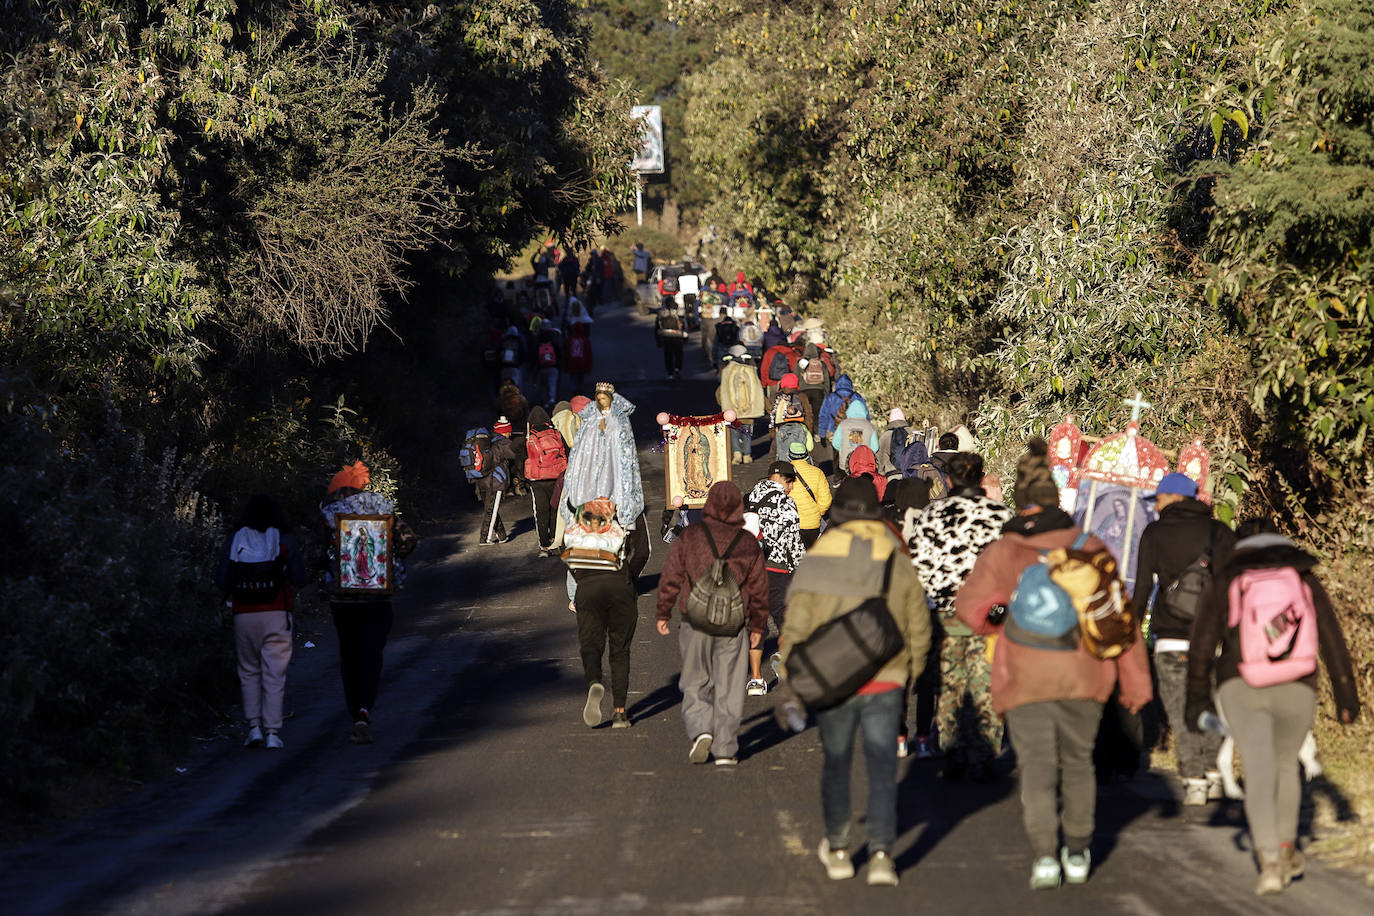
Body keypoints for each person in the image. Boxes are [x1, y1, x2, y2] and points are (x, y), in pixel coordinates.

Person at [955, 439, 1151, 889]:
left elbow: (972, 609)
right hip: (1085, 674)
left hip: (1025, 675)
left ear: (1022, 502)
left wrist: (1002, 619)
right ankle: (1079, 851)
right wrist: (1135, 683)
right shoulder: (1091, 546)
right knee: (1079, 761)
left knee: (1038, 765)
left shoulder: (1005, 551)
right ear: (1058, 500)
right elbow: (1120, 620)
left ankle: (1045, 856)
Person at [1185, 518, 1360, 895]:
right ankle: (1285, 847)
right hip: (1297, 685)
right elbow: (1331, 638)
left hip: (1240, 683)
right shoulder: (1302, 576)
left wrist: (1196, 699)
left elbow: (1201, 645)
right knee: (1285, 765)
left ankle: (1268, 864)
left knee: (1258, 768)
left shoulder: (1226, 578)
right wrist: (1346, 696)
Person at [783, 477, 932, 888]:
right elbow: (918, 622)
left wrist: (792, 679)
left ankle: (839, 848)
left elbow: (795, 625)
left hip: (833, 682)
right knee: (883, 768)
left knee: (836, 764)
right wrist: (911, 671)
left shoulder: (817, 557)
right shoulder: (895, 557)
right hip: (887, 679)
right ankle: (883, 854)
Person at [1133, 471, 1237, 805]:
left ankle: (1194, 779)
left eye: (1159, 498)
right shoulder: (1218, 531)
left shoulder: (1155, 533)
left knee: (1181, 710)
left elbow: (1143, 588)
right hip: (1213, 639)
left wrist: (1133, 629)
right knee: (1211, 704)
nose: (1156, 505)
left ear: (1175, 497)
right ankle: (1214, 773)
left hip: (1171, 638)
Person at [906, 452, 1012, 777]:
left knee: (950, 685)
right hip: (991, 617)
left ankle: (952, 750)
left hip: (946, 614)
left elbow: (919, 567)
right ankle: (986, 753)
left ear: (949, 480)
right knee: (986, 686)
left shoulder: (933, 515)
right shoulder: (1001, 516)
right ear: (981, 477)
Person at [656, 482, 770, 766]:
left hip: (695, 619)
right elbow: (759, 589)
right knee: (730, 686)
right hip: (733, 622)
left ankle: (700, 729)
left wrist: (663, 611)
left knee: (695, 680)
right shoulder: (747, 542)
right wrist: (757, 627)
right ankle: (726, 748)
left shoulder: (691, 535)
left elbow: (672, 574)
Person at [318, 461, 419, 744]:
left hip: (344, 600)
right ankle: (366, 708)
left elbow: (316, 555)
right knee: (372, 654)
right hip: (378, 595)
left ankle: (356, 713)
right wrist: (389, 562)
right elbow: (409, 540)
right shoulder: (383, 508)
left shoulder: (329, 514)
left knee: (350, 656)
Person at [215, 494, 309, 749]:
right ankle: (272, 732)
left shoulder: (236, 539)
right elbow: (300, 577)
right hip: (276, 612)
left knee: (248, 671)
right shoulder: (283, 539)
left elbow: (222, 580)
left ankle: (253, 727)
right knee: (274, 673)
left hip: (243, 614)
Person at [567, 497, 649, 728]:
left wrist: (582, 578)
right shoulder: (628, 506)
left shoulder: (582, 507)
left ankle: (594, 680)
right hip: (619, 583)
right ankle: (620, 713)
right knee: (620, 650)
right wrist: (627, 578)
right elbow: (643, 552)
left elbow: (568, 550)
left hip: (588, 585)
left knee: (591, 644)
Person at [743, 462, 805, 695]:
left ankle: (756, 679)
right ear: (780, 478)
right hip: (779, 569)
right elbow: (793, 541)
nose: (791, 487)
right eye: (790, 482)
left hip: (753, 568)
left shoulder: (750, 497)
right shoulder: (786, 503)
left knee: (757, 624)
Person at [524, 407, 567, 556]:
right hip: (556, 476)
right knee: (555, 508)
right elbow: (565, 452)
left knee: (541, 511)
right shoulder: (556, 434)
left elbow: (522, 456)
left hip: (537, 480)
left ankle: (544, 545)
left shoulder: (529, 437)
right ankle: (555, 539)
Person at [716, 345, 766, 463]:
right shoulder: (751, 372)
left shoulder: (727, 372)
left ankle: (737, 454)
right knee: (747, 434)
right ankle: (747, 455)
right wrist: (767, 406)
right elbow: (758, 392)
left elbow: (719, 393)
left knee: (734, 434)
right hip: (749, 414)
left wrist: (724, 405)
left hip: (733, 413)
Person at [785, 440, 830, 548]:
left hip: (791, 523)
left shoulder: (784, 474)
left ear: (789, 456)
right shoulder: (817, 472)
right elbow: (826, 500)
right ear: (806, 456)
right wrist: (816, 513)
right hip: (812, 524)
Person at [831, 400, 880, 476]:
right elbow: (875, 447)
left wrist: (843, 449)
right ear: (864, 411)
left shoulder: (843, 425)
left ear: (849, 411)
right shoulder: (870, 426)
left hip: (845, 464)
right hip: (865, 465)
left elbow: (835, 443)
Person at [817, 374, 867, 440]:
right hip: (854, 429)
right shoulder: (857, 396)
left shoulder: (830, 397)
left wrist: (822, 434)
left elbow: (823, 416)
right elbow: (865, 414)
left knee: (836, 447)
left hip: (834, 429)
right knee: (854, 448)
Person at [796, 342, 831, 423]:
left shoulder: (800, 363)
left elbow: (796, 376)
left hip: (804, 391)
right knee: (817, 414)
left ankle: (808, 432)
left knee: (806, 413)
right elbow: (826, 380)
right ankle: (817, 432)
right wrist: (826, 392)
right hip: (818, 391)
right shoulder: (821, 364)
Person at [876, 409, 912, 479]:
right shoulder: (912, 432)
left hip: (891, 475)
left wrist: (881, 474)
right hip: (910, 475)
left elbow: (880, 458)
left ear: (890, 420)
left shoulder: (885, 436)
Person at [656, 302, 687, 379]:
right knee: (678, 355)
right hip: (678, 338)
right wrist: (685, 339)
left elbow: (657, 329)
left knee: (668, 356)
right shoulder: (680, 315)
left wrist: (658, 341)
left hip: (666, 339)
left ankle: (670, 373)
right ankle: (677, 369)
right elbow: (685, 327)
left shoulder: (661, 315)